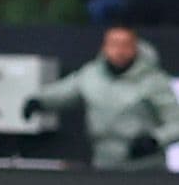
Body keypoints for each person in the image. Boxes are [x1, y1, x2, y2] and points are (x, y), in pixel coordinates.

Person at [25, 25, 179, 171]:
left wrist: (156, 140)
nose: (119, 51)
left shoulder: (154, 81)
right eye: (114, 45)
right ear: (105, 47)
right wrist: (39, 100)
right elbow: (65, 91)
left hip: (145, 164)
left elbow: (176, 123)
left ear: (135, 48)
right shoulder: (92, 74)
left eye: (125, 45)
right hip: (104, 161)